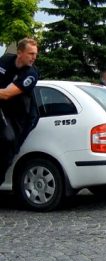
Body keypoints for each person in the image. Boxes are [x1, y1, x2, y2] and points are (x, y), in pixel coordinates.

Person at [0, 38, 40, 186]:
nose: (34, 57)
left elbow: (6, 94)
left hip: (21, 116)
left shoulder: (31, 74)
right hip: (4, 109)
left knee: (9, 142)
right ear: (19, 53)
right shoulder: (5, 60)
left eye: (35, 54)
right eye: (30, 53)